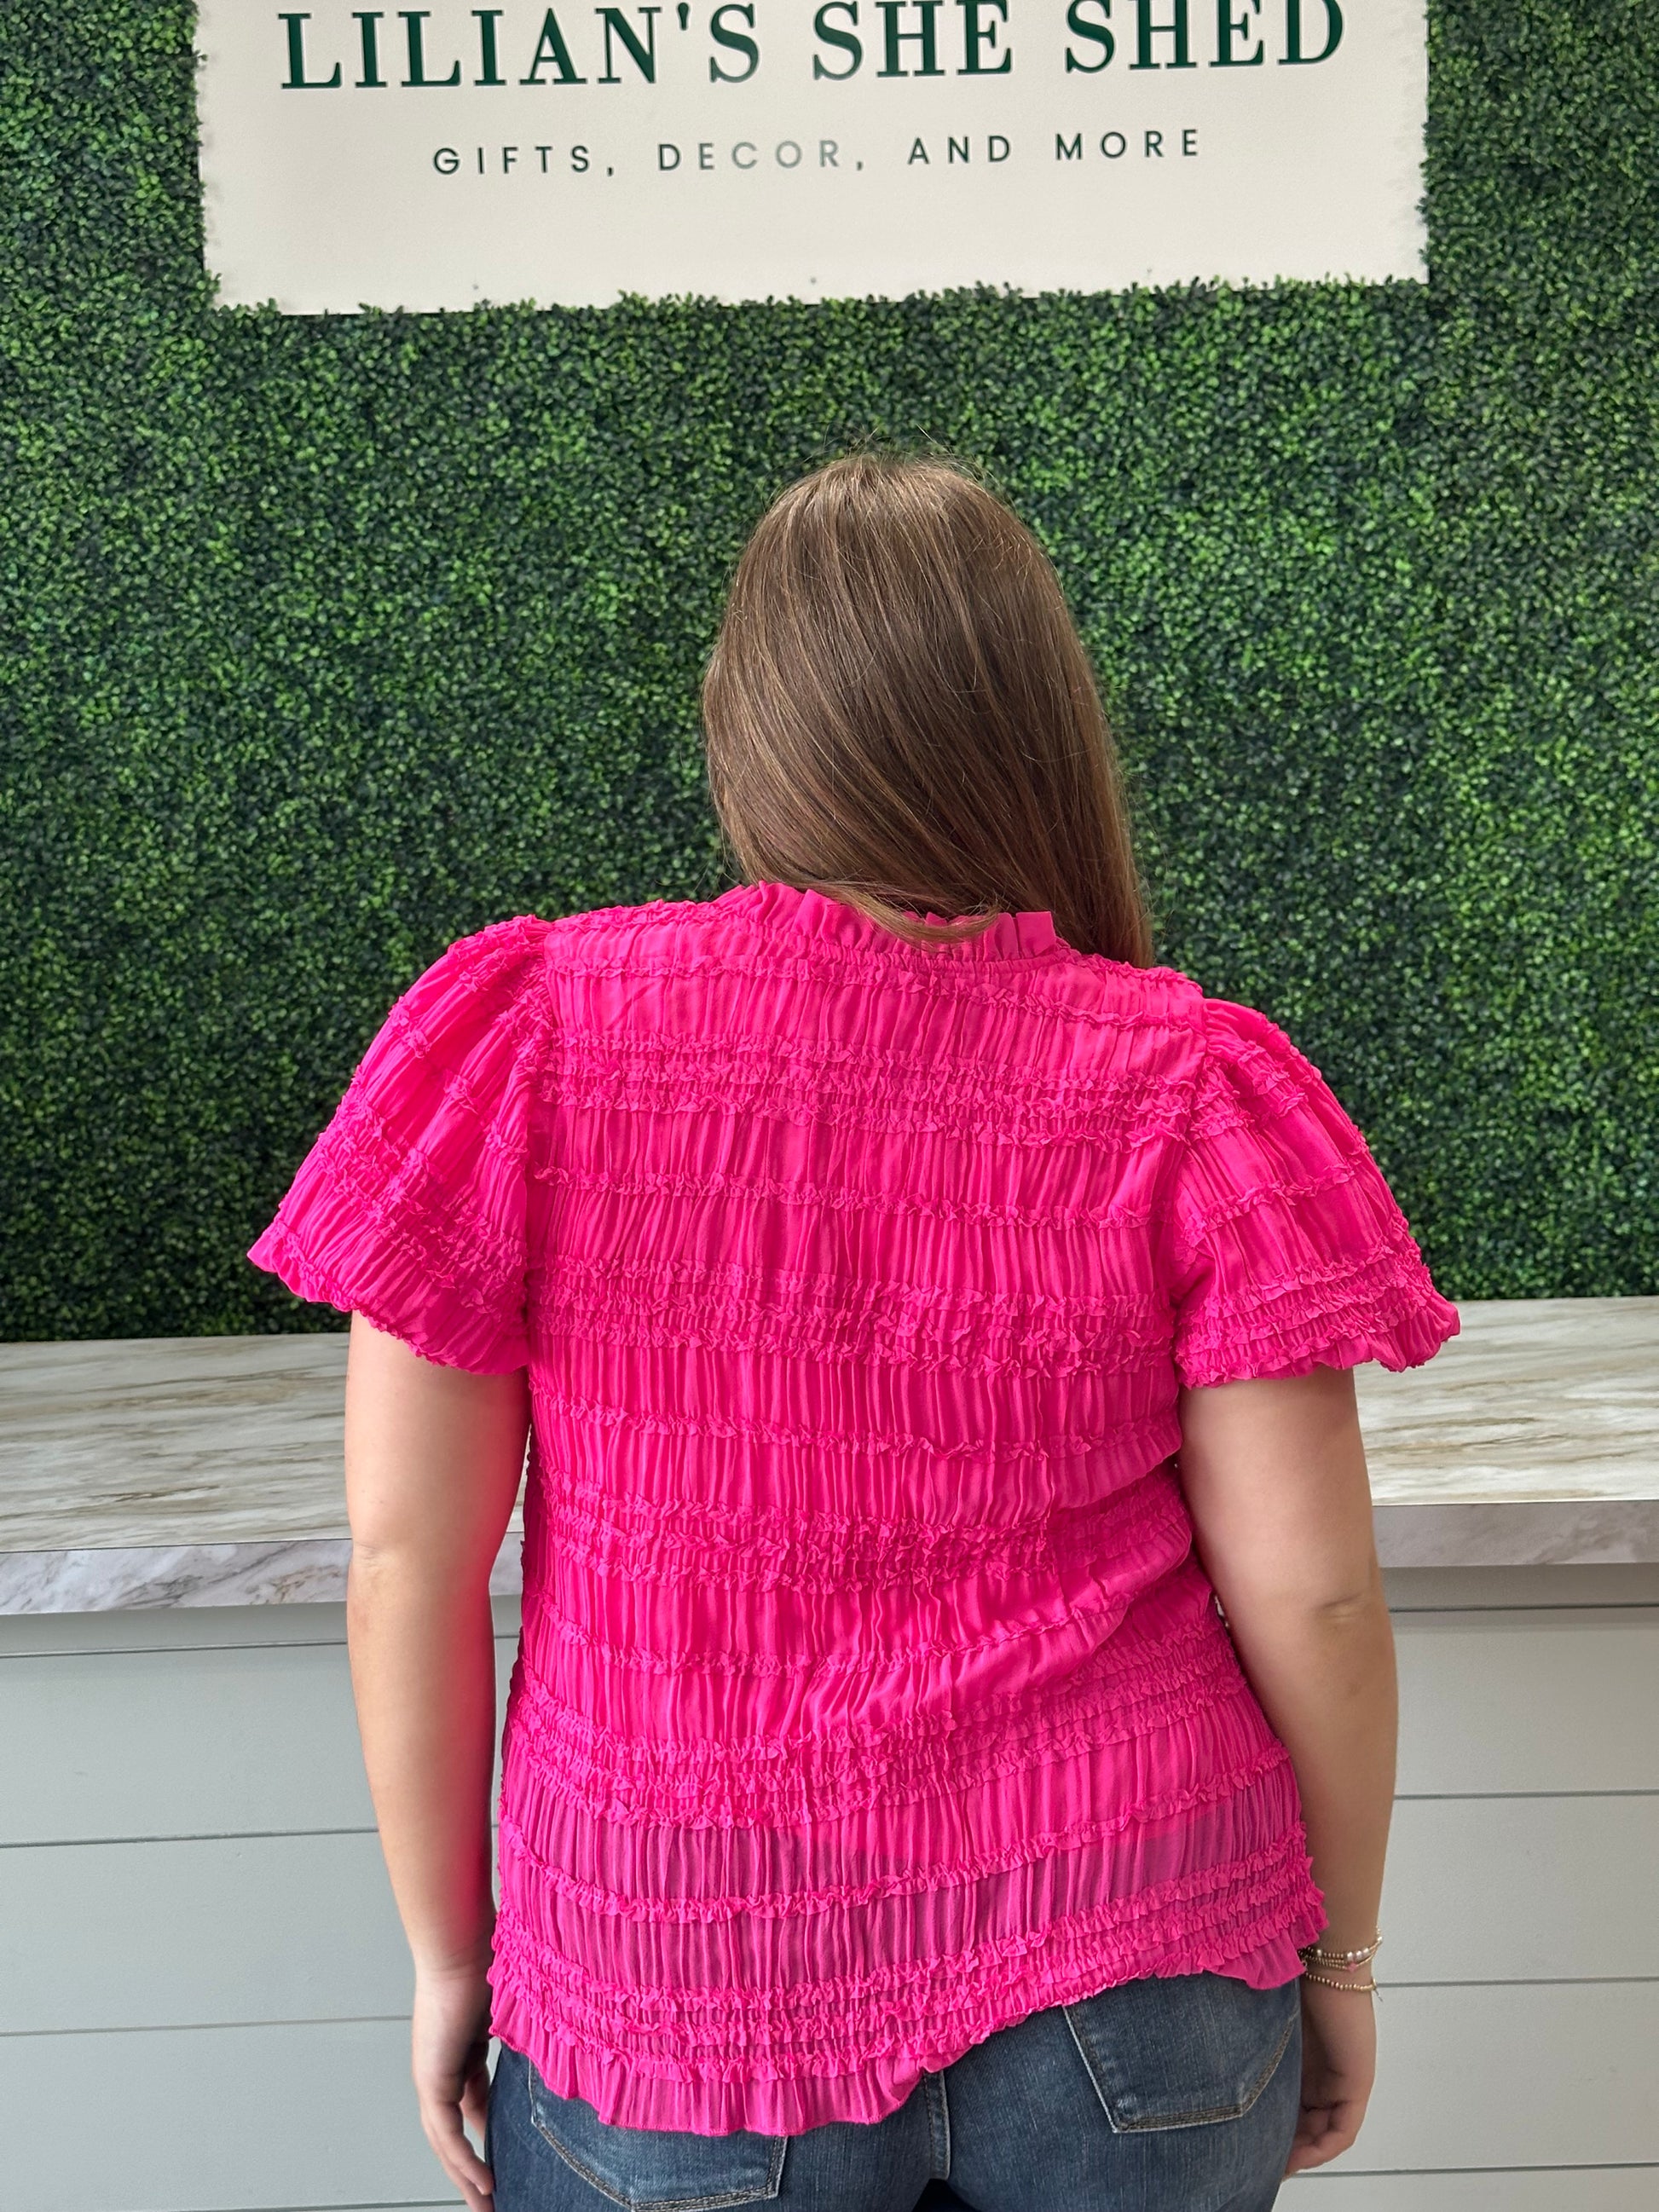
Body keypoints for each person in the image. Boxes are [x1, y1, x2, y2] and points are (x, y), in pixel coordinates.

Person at [250, 453, 1459, 2212]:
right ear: (1042, 729)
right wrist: (1338, 1956)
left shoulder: (534, 1036)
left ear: (746, 731)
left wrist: (451, 1954)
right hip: (1137, 1967)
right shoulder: (1185, 1078)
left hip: (676, 1993)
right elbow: (1317, 1596)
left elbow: (406, 1563)